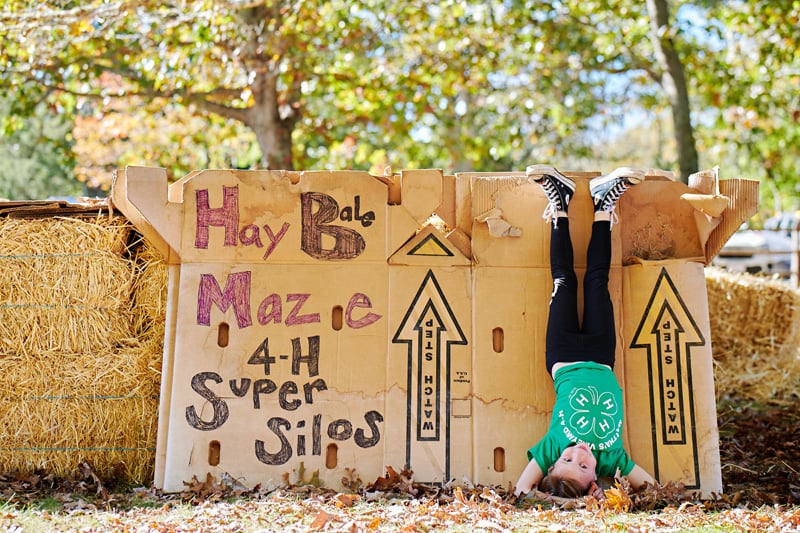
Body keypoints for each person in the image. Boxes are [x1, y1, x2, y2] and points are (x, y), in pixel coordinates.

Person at [514, 164, 656, 499]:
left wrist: (565, 505)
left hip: (563, 355)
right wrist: (595, 502)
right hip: (601, 354)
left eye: (566, 460)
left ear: (553, 462)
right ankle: (603, 205)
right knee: (596, 283)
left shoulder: (551, 447)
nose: (577, 454)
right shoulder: (611, 459)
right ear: (595, 479)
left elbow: (522, 491)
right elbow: (652, 489)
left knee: (564, 281)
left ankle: (560, 204)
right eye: (582, 466)